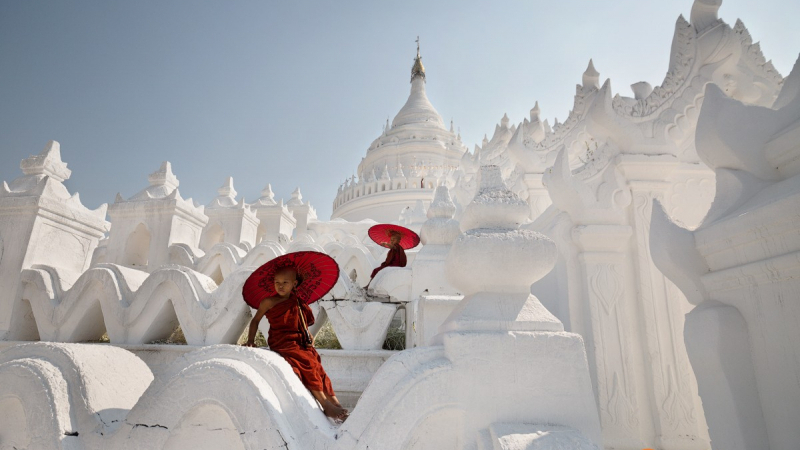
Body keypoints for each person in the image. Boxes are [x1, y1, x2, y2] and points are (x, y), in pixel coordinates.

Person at [243, 266, 349, 422]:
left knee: (317, 365)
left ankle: (335, 403)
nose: (280, 286)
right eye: (277, 282)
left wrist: (308, 334)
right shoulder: (269, 301)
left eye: (285, 282)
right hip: (282, 342)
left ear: (295, 284)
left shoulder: (298, 302)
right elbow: (255, 320)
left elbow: (301, 322)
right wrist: (251, 340)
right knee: (307, 363)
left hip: (299, 340)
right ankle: (325, 404)